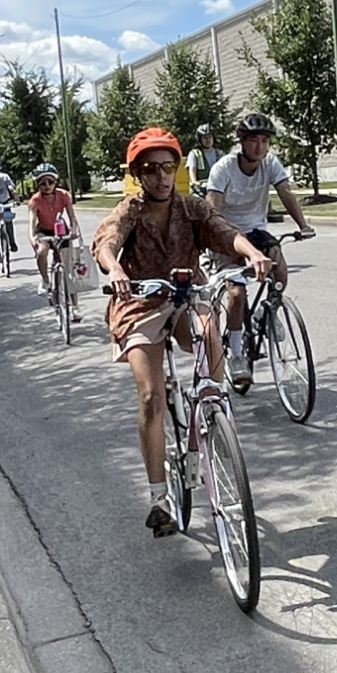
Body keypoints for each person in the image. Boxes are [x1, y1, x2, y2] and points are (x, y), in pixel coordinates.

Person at [93, 128, 271, 537]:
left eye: (167, 168)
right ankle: (159, 498)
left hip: (185, 297)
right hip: (140, 304)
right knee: (152, 396)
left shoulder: (191, 208)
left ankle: (210, 413)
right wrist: (116, 268)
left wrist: (252, 252)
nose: (160, 177)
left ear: (176, 170)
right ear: (138, 173)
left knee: (210, 336)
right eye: (151, 169)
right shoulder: (130, 211)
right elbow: (106, 242)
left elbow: (224, 231)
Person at [206, 111, 314, 388]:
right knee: (236, 292)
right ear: (242, 142)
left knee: (280, 273)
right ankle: (238, 354)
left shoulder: (271, 164)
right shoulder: (223, 169)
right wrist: (213, 237)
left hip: (255, 231)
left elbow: (286, 193)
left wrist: (302, 224)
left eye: (265, 141)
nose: (260, 147)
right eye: (254, 141)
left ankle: (266, 315)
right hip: (226, 235)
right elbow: (212, 209)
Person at [26, 162, 82, 318]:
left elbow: (71, 217)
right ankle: (45, 280)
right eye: (42, 183)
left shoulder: (63, 195)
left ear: (55, 182)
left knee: (68, 268)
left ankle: (75, 307)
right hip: (43, 230)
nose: (47, 186)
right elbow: (32, 222)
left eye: (50, 182)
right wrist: (32, 238)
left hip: (60, 228)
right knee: (42, 250)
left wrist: (73, 230)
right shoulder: (35, 200)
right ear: (38, 185)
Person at [186, 123, 223, 193]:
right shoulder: (194, 154)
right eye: (205, 137)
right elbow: (192, 169)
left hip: (217, 189)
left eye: (210, 137)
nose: (208, 140)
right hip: (200, 190)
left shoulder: (220, 153)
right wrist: (194, 181)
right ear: (200, 140)